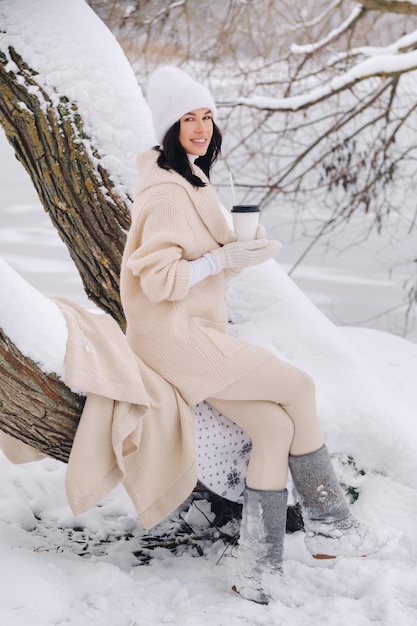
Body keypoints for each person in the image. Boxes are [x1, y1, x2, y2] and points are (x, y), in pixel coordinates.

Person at [120, 66, 390, 604]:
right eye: (187, 119)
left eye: (206, 117)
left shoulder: (194, 179)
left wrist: (239, 256)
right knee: (300, 388)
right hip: (174, 339)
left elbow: (203, 269)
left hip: (192, 330)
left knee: (271, 429)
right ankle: (331, 521)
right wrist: (225, 256)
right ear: (167, 128)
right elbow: (157, 279)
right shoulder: (167, 194)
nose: (199, 128)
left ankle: (257, 569)